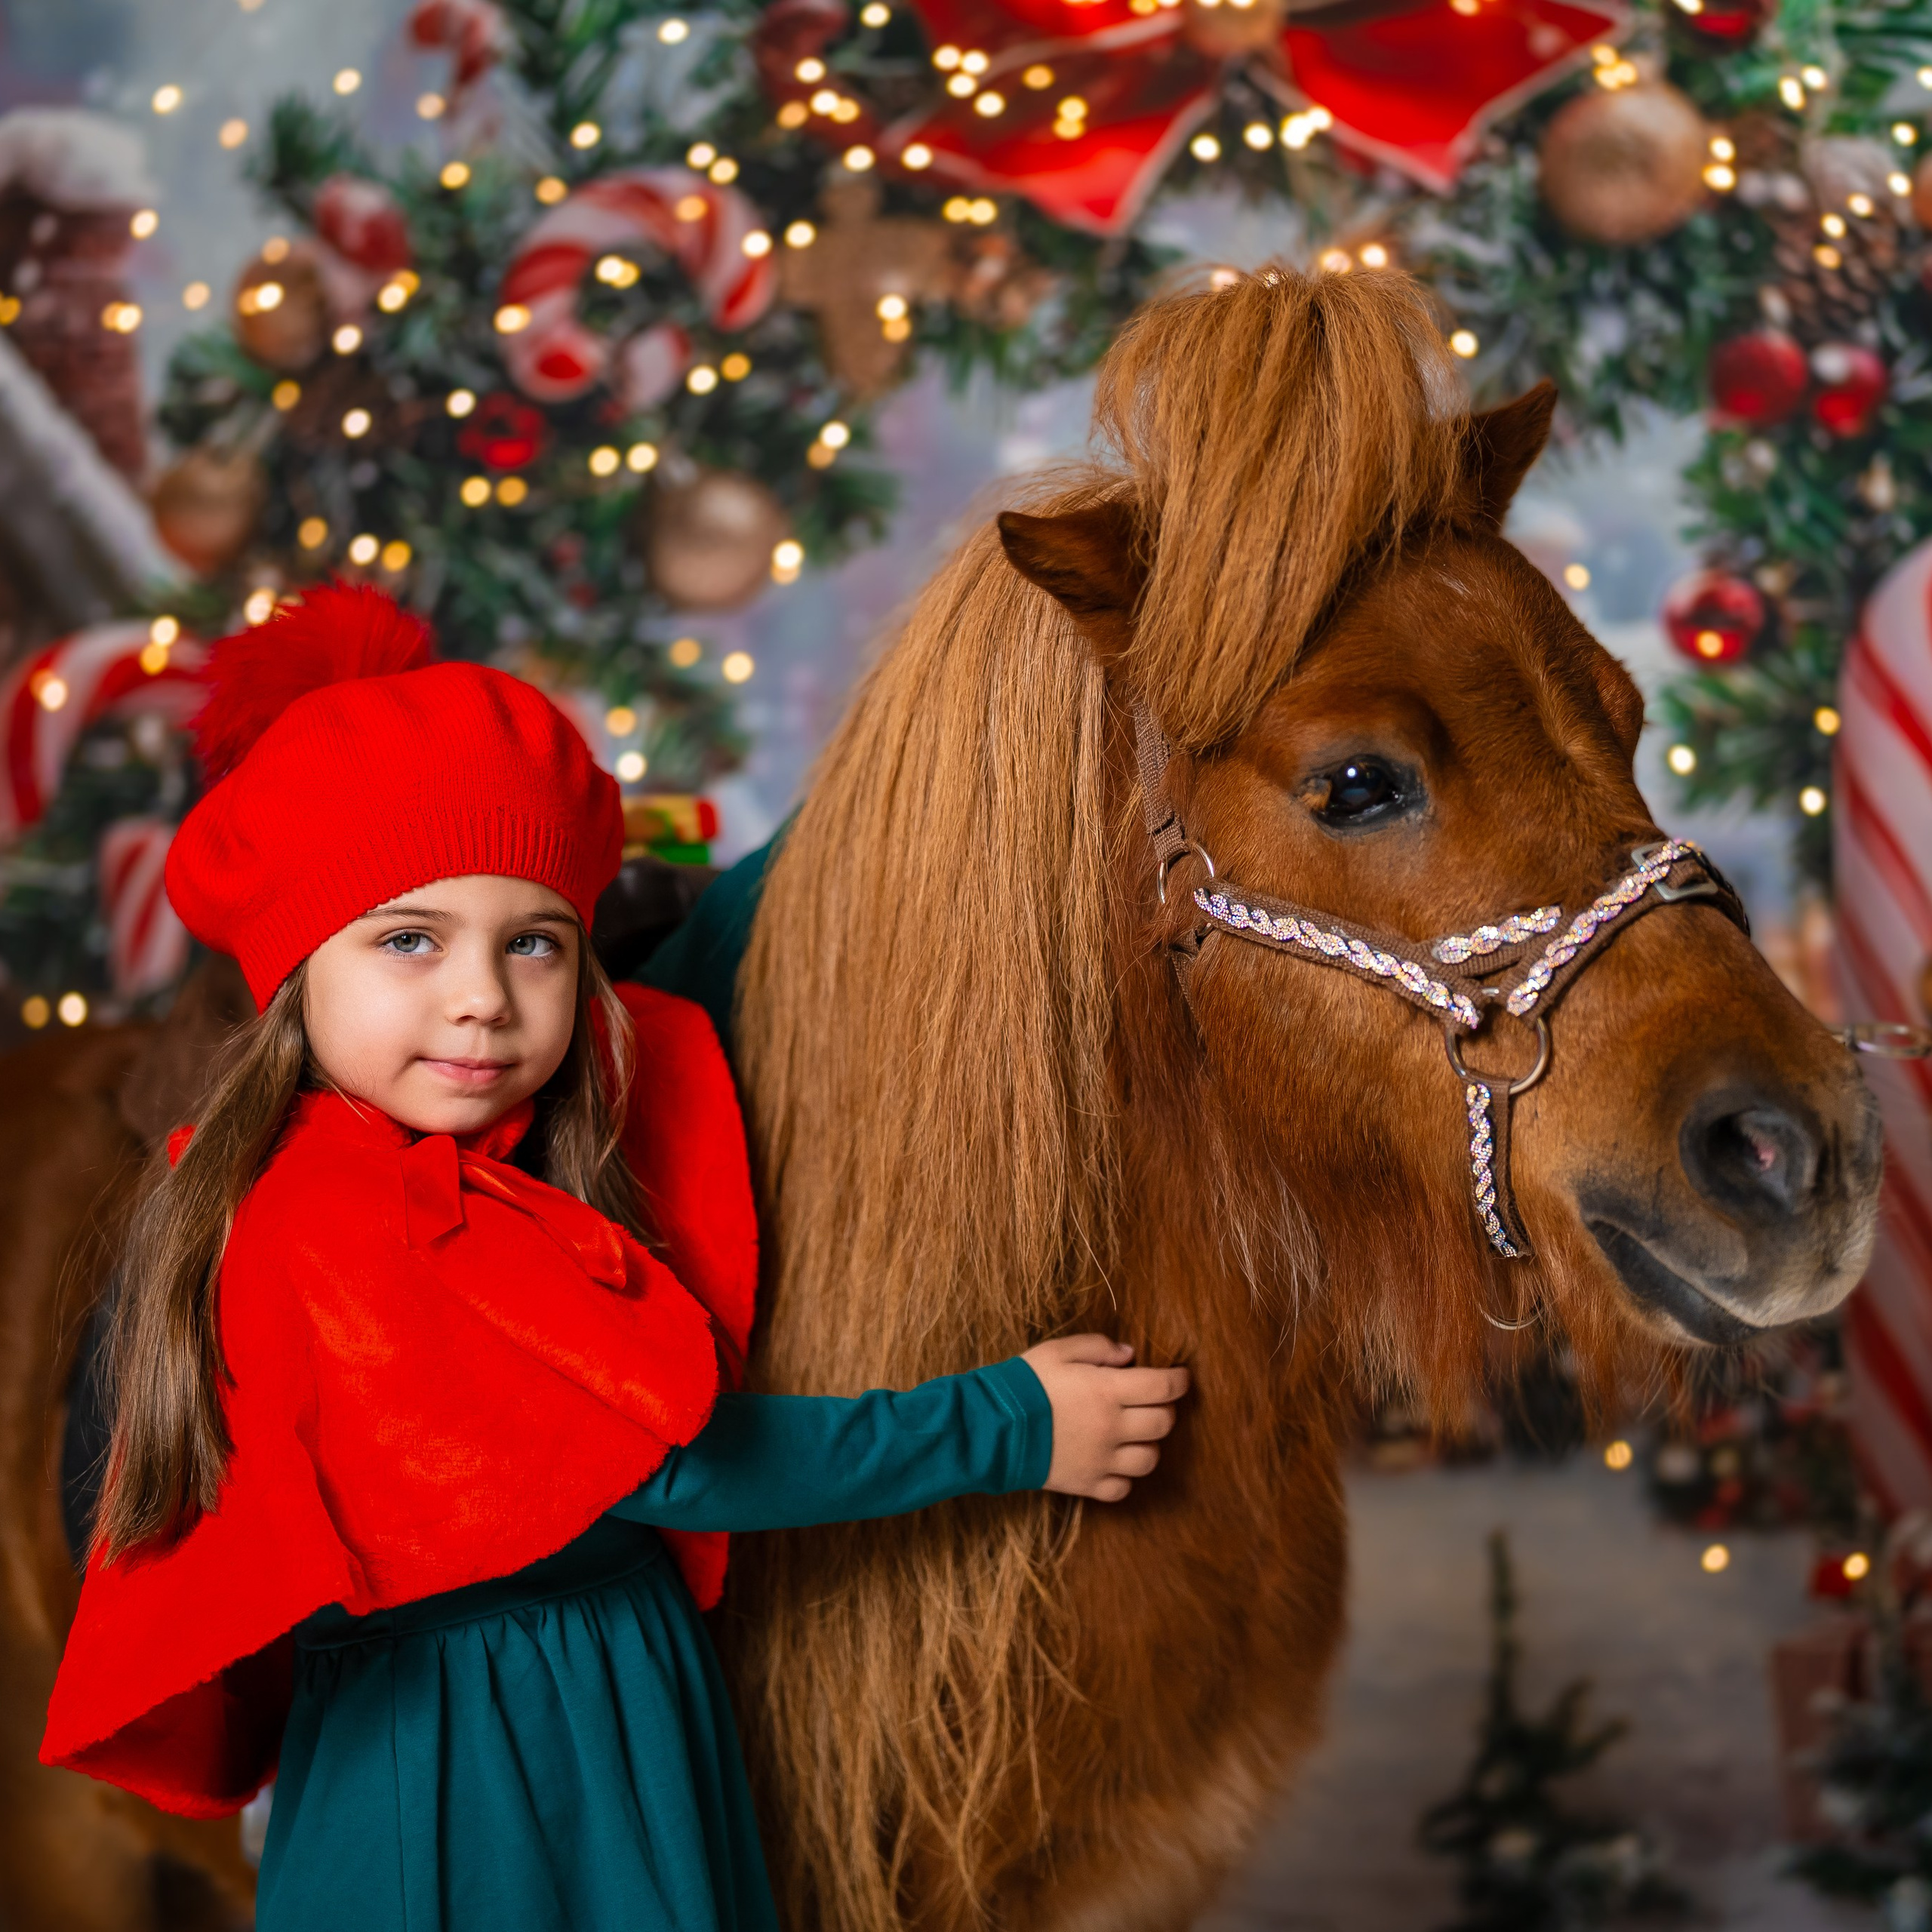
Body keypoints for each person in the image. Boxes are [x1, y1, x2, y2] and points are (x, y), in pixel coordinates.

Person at [40, 585, 1189, 1932]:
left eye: (534, 942)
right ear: (297, 976)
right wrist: (1009, 1423)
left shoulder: (499, 1168)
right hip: (483, 1753)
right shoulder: (344, 1219)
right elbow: (681, 1461)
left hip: (586, 1698)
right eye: (409, 940)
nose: (482, 995)